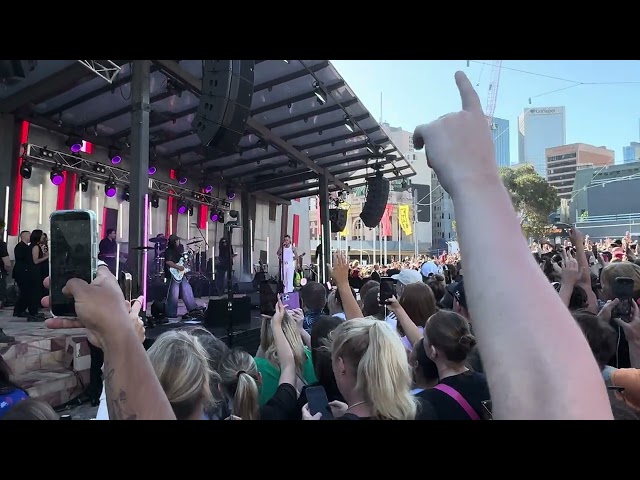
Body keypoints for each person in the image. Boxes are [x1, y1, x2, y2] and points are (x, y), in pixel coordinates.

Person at [164, 235, 202, 320]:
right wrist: (178, 268)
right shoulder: (168, 251)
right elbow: (168, 262)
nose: (179, 242)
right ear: (174, 241)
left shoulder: (178, 250)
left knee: (187, 289)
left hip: (180, 274)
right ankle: (171, 312)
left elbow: (181, 261)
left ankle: (192, 308)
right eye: (177, 241)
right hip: (173, 274)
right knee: (174, 293)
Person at [12, 230, 31, 318]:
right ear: (24, 236)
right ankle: (19, 310)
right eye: (29, 235)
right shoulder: (20, 247)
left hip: (23, 271)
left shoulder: (25, 247)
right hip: (21, 272)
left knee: (25, 292)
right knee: (24, 292)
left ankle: (20, 309)